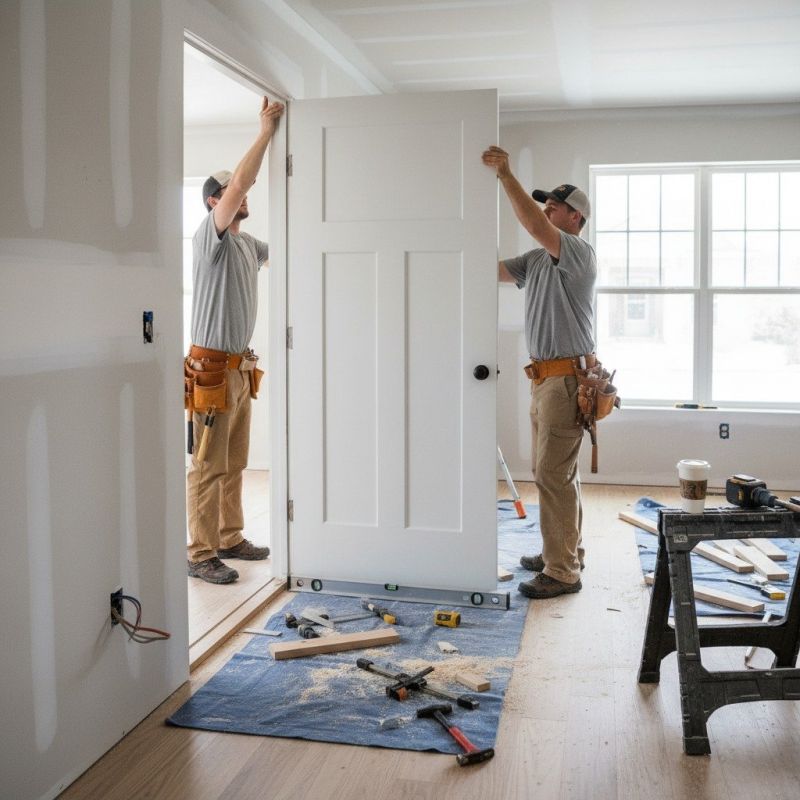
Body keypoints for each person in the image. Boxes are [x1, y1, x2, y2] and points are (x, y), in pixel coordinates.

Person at [482, 146, 596, 599]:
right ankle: (565, 550)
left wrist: (505, 174)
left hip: (566, 380)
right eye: (545, 205)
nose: (547, 211)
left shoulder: (578, 253)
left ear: (575, 218)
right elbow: (489, 271)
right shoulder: (536, 260)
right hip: (546, 379)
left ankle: (563, 572)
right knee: (554, 471)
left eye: (554, 207)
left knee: (553, 473)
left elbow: (532, 224)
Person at [187, 96, 285, 585]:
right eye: (229, 192)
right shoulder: (213, 236)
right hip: (210, 371)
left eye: (238, 192)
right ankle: (199, 552)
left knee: (235, 461)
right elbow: (245, 181)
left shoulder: (248, 244)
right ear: (214, 202)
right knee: (208, 465)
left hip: (240, 370)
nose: (241, 195)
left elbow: (293, 246)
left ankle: (229, 537)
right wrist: (266, 132)